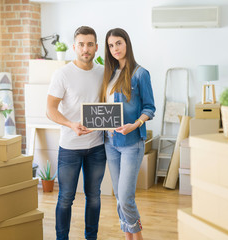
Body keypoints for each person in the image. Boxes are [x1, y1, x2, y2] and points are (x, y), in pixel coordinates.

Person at [46, 26, 106, 240]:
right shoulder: (62, 73)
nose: (85, 49)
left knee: (94, 197)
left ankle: (92, 237)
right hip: (70, 147)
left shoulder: (103, 72)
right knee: (65, 198)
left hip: (97, 147)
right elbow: (50, 109)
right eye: (81, 44)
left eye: (90, 44)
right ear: (74, 47)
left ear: (96, 47)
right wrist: (71, 124)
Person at [100, 28, 156, 240]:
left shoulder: (140, 73)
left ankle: (138, 237)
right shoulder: (109, 74)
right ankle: (128, 237)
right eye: (111, 45)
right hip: (110, 142)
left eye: (119, 43)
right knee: (119, 199)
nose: (115, 48)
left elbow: (149, 108)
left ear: (127, 44)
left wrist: (135, 124)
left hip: (132, 142)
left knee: (125, 197)